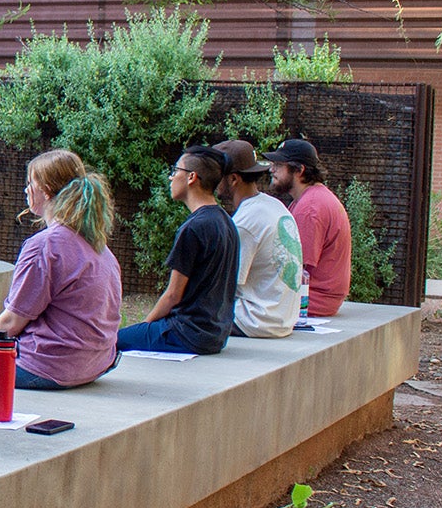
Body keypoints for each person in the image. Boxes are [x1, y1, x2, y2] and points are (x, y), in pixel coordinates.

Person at [0, 150, 121, 405]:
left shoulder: (45, 245)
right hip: (93, 363)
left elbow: (12, 321)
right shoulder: (101, 249)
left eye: (29, 183)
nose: (25, 190)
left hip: (48, 363)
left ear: (44, 190)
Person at [116, 145, 239, 355]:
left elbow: (173, 295)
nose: (171, 178)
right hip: (215, 335)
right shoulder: (226, 222)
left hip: (185, 334)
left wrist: (145, 326)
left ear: (192, 177)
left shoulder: (193, 227)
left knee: (111, 341)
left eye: (175, 171)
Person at [213, 139, 303, 339]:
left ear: (233, 179)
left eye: (216, 175)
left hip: (256, 321)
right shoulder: (273, 205)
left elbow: (227, 285)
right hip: (282, 319)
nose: (212, 180)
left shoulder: (246, 221)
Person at [263, 138, 352, 317]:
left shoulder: (310, 207)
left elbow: (295, 270)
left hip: (313, 300)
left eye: (279, 165)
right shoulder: (311, 198)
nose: (272, 169)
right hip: (320, 298)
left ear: (299, 170)